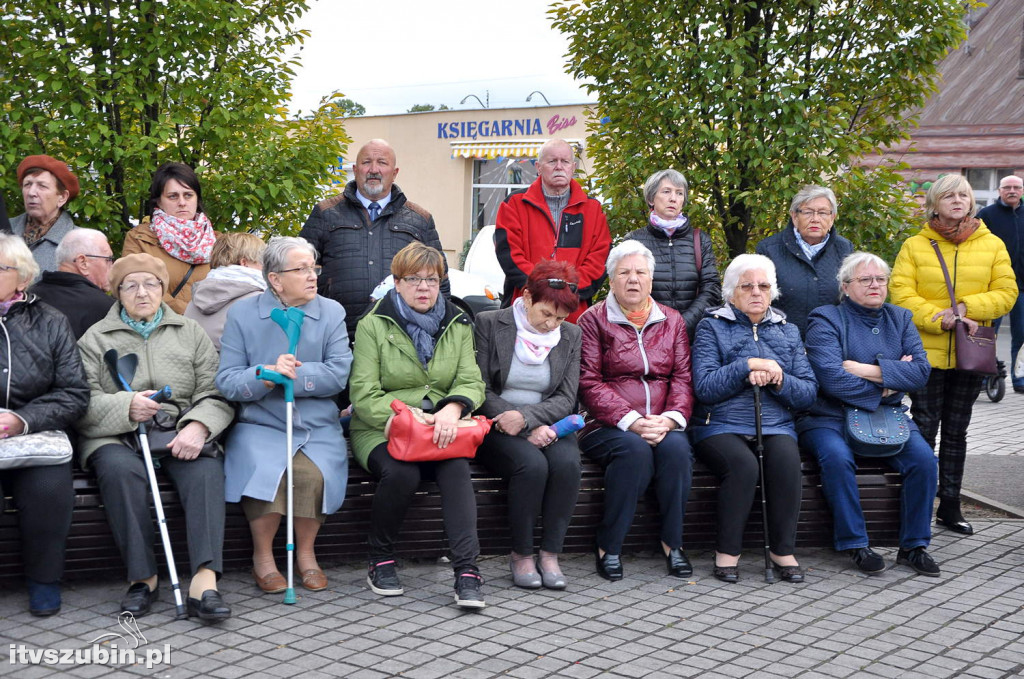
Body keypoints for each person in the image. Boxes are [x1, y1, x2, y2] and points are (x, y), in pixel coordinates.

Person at [77, 253, 235, 621]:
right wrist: (125, 407)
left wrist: (198, 426)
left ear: (164, 289)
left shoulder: (189, 332)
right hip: (116, 435)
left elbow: (214, 392)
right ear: (117, 292)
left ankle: (204, 581)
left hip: (177, 428)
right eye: (131, 285)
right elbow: (81, 401)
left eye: (151, 284)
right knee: (118, 472)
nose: (142, 292)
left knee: (207, 470)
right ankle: (143, 578)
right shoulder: (95, 338)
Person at [349, 242, 487, 609]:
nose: (423, 287)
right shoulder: (373, 324)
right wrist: (408, 415)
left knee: (457, 470)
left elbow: (470, 380)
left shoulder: (458, 322)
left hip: (442, 426)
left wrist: (453, 407)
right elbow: (364, 393)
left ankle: (467, 571)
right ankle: (379, 558)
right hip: (382, 427)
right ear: (397, 283)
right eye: (414, 279)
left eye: (431, 279)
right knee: (402, 474)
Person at [217, 236, 352, 595]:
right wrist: (264, 374)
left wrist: (297, 375)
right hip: (260, 421)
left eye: (314, 268)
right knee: (268, 472)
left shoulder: (331, 312)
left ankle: (306, 555)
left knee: (312, 474)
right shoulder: (243, 314)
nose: (313, 277)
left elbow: (339, 373)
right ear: (275, 278)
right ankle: (263, 558)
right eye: (302, 269)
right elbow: (227, 380)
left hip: (315, 422)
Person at [890, 173, 1016, 537]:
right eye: (949, 195)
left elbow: (1006, 292)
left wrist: (966, 307)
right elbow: (900, 292)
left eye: (963, 195)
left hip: (971, 352)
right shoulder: (916, 246)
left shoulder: (991, 244)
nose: (958, 200)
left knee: (958, 431)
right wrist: (937, 318)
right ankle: (916, 505)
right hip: (926, 353)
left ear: (971, 202)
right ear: (935, 203)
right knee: (924, 428)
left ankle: (949, 504)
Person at [800, 253, 938, 576]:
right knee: (836, 458)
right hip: (828, 416)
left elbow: (920, 373)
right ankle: (855, 544)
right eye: (865, 280)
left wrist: (864, 369)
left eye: (880, 279)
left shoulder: (900, 318)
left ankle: (914, 546)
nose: (875, 285)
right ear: (846, 287)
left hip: (889, 417)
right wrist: (890, 382)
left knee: (924, 461)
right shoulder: (825, 318)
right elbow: (832, 379)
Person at [690, 254, 817, 583]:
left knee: (787, 462)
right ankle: (727, 551)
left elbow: (807, 392)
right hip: (719, 425)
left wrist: (778, 379)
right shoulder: (711, 327)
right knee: (743, 467)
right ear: (731, 293)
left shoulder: (788, 331)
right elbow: (704, 387)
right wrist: (745, 367)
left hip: (775, 424)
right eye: (747, 286)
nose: (756, 292)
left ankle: (781, 550)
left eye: (764, 286)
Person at [577, 240, 695, 582]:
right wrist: (632, 421)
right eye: (624, 273)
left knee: (676, 451)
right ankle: (609, 546)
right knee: (634, 452)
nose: (633, 279)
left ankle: (673, 544)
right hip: (606, 424)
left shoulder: (671, 321)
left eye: (640, 272)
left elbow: (683, 377)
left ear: (651, 279)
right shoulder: (593, 320)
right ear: (611, 280)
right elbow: (589, 382)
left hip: (662, 421)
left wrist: (670, 418)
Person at [474, 260, 582, 590]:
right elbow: (479, 386)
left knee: (566, 465)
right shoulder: (490, 323)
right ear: (526, 298)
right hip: (496, 421)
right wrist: (517, 421)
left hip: (549, 422)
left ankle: (549, 553)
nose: (552, 324)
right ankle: (521, 554)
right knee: (531, 465)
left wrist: (531, 420)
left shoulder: (571, 335)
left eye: (560, 318)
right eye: (546, 313)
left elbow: (567, 396)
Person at [0, 234, 89, 616]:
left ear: (21, 279)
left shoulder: (50, 321)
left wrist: (22, 420)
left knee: (49, 490)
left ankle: (44, 580)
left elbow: (74, 393)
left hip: (33, 436)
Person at [299, 139, 449, 340]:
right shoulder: (326, 213)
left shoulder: (420, 219)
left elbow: (441, 281)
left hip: (401, 337)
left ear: (395, 173)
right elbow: (298, 270)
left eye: (382, 163)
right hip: (336, 334)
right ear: (355, 169)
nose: (374, 169)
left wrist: (440, 332)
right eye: (366, 162)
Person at [495, 138, 611, 322]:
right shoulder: (514, 204)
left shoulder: (592, 209)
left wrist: (567, 291)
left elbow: (599, 258)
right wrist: (543, 289)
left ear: (573, 167)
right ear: (539, 167)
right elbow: (510, 255)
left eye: (564, 161)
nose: (559, 167)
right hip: (525, 311)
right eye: (552, 161)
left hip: (574, 315)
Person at [624, 169, 721, 336]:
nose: (673, 198)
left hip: (693, 337)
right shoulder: (634, 241)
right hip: (647, 335)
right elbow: (625, 290)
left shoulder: (699, 239)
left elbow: (711, 290)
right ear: (650, 198)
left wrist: (681, 325)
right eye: (666, 191)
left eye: (679, 193)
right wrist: (656, 327)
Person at [755, 185, 854, 334]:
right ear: (794, 216)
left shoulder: (844, 249)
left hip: (831, 339)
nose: (815, 219)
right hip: (781, 339)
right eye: (807, 212)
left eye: (822, 213)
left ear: (832, 217)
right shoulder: (769, 249)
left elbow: (851, 299)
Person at [122, 162, 218, 314]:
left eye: (188, 195)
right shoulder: (140, 238)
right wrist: (189, 314)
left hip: (209, 331)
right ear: (159, 201)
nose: (182, 203)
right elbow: (137, 287)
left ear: (197, 198)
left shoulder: (219, 242)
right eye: (173, 196)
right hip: (160, 328)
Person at [977, 175, 1024, 393]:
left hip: (1022, 288)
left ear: (1022, 190)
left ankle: (1019, 378)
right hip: (992, 287)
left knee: (1021, 336)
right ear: (999, 190)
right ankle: (985, 377)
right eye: (1008, 187)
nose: (1012, 190)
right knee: (987, 334)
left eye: (1016, 187)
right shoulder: (986, 215)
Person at [185, 232, 267, 350]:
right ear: (244, 263)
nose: (265, 268)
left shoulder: (196, 297)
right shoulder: (258, 300)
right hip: (233, 366)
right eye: (262, 262)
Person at [29, 228, 115, 339]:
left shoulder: (27, 297)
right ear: (83, 263)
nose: (112, 266)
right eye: (108, 259)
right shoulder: (106, 308)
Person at [9, 154, 80, 272]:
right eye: (27, 184)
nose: (31, 192)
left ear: (62, 197)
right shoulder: (4, 230)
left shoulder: (79, 242)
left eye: (42, 186)